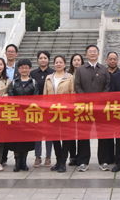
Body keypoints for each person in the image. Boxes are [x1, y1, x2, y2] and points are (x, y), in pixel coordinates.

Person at [74, 44, 110, 172]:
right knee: (84, 134)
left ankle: (103, 161)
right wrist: (86, 99)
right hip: (85, 108)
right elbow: (77, 86)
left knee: (103, 134)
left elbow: (107, 86)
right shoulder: (80, 70)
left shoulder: (104, 69)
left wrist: (100, 100)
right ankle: (83, 162)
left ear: (98, 54)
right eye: (90, 51)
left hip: (100, 108)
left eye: (95, 51)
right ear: (86, 54)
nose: (93, 53)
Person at [45, 55, 74, 173]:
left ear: (65, 64)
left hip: (65, 111)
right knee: (55, 137)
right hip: (52, 111)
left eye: (61, 62)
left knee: (66, 137)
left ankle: (63, 162)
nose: (58, 64)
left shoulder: (70, 77)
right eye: (56, 62)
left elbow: (73, 94)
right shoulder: (49, 78)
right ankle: (58, 160)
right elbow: (45, 95)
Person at [9, 59, 38, 172]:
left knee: (26, 140)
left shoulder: (33, 82)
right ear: (18, 69)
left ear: (29, 69)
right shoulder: (14, 82)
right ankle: (17, 162)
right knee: (16, 140)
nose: (24, 69)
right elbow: (10, 97)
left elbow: (36, 99)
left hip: (28, 115)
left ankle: (24, 162)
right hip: (16, 115)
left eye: (26, 67)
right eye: (22, 67)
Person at [31, 51, 55, 169]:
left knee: (49, 132)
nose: (43, 60)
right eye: (40, 58)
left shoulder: (53, 73)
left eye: (45, 58)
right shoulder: (33, 73)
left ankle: (48, 156)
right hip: (36, 107)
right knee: (37, 133)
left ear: (48, 59)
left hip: (49, 107)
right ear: (38, 60)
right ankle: (37, 156)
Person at [65, 53, 84, 166]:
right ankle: (72, 156)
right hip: (70, 107)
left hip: (81, 106)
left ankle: (81, 156)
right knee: (71, 133)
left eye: (78, 60)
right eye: (74, 60)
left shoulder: (85, 73)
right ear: (71, 62)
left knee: (81, 133)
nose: (76, 62)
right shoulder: (67, 75)